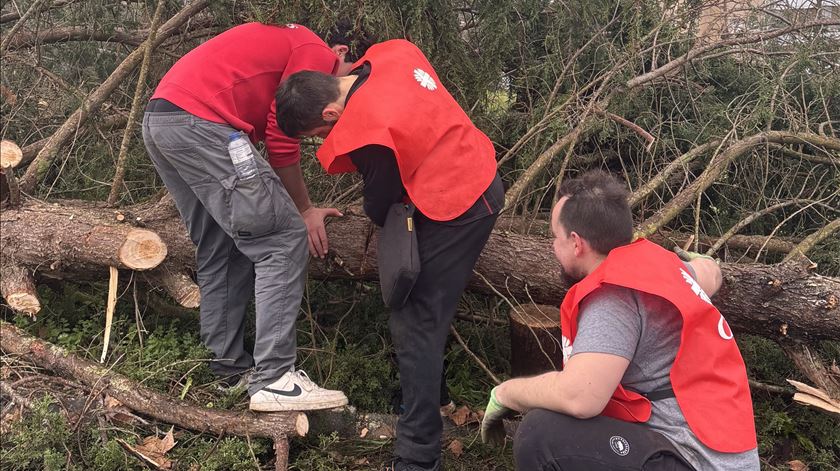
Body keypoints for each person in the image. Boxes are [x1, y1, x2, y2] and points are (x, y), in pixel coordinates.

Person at [275, 39, 503, 471]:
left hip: (463, 202)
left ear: (329, 113)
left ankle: (418, 455)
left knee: (414, 317)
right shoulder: (390, 53)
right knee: (426, 308)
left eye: (318, 136)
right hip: (473, 168)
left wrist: (373, 208)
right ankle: (431, 395)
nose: (325, 140)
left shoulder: (368, 128)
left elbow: (379, 203)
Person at [142, 22, 359, 412]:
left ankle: (228, 368)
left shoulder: (292, 44)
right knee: (281, 237)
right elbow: (280, 137)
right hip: (203, 123)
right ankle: (275, 378)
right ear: (341, 53)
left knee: (221, 243)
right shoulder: (317, 56)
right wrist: (304, 210)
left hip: (163, 120)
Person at [480, 170, 759, 470]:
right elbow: (710, 275)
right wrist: (702, 260)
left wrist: (506, 394)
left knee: (541, 434)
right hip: (719, 451)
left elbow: (580, 397)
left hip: (694, 459)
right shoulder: (664, 267)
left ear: (576, 243)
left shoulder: (612, 298)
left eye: (554, 237)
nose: (552, 247)